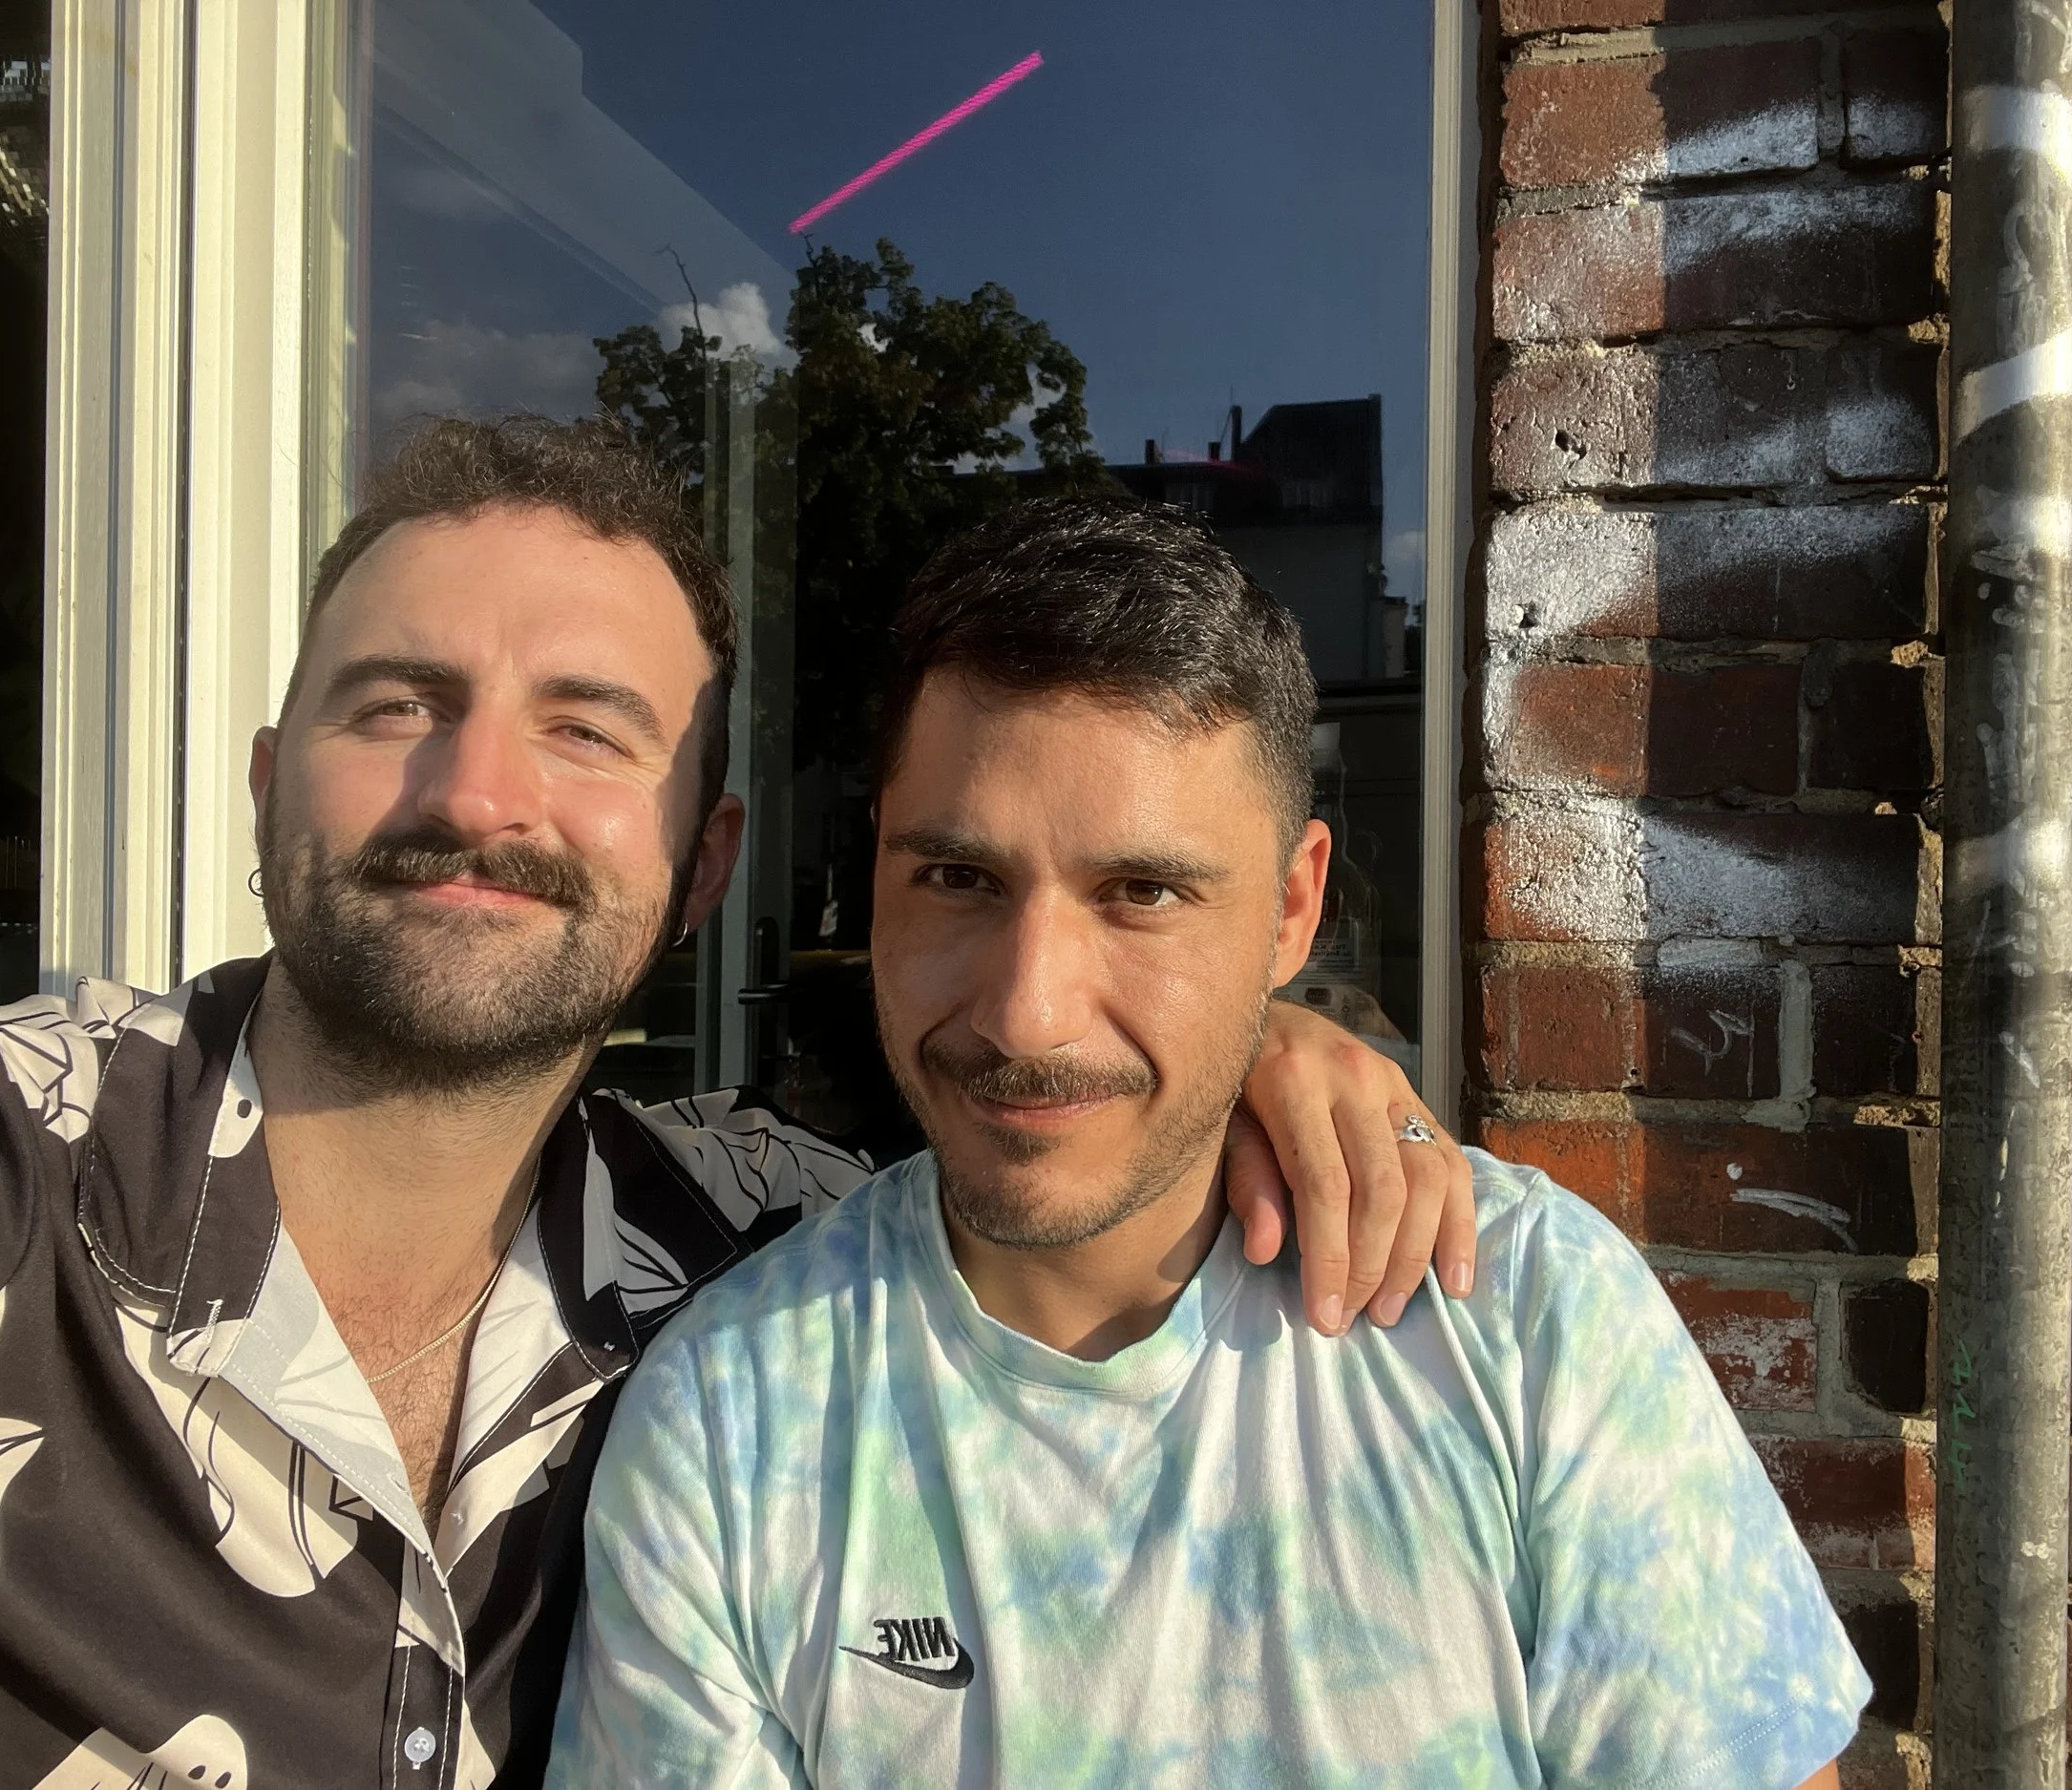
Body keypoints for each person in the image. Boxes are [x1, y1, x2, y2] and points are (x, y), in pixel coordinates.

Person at [0, 418, 1472, 1788]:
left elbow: (1061, 1118)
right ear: (263, 784)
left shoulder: (761, 1239)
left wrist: (1247, 1034)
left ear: (705, 865)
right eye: (393, 704)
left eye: (585, 729)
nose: (475, 790)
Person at [550, 497, 1872, 1788]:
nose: (1027, 1011)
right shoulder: (734, 1417)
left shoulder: (1526, 1318)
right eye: (959, 879)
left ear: (1293, 910)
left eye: (1143, 892)